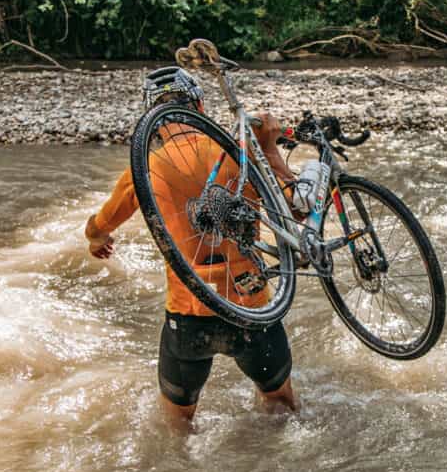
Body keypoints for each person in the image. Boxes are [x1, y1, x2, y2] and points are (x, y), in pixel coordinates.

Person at [85, 66, 299, 430]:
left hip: (188, 317)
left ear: (153, 119)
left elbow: (99, 226)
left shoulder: (144, 167)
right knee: (281, 408)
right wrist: (270, 149)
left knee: (178, 428)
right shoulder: (237, 152)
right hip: (251, 309)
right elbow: (294, 208)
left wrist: (96, 240)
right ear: (199, 106)